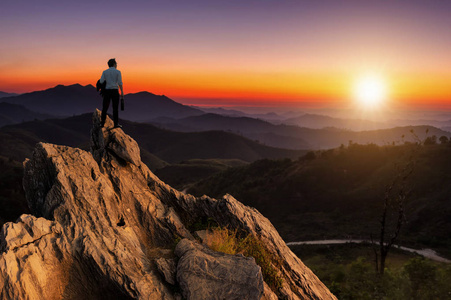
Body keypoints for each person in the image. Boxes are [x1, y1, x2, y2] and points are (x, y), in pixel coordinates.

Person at [99, 58, 124, 128]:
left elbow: (101, 81)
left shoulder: (105, 72)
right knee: (115, 108)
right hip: (115, 91)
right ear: (114, 64)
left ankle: (102, 123)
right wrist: (122, 91)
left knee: (105, 107)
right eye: (116, 64)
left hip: (107, 91)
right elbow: (120, 83)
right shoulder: (118, 72)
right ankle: (116, 124)